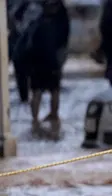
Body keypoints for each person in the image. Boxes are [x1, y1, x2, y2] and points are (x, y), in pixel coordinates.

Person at [25, 0, 68, 139]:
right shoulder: (59, 16)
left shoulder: (37, 14)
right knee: (50, 90)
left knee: (41, 91)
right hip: (48, 59)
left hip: (40, 59)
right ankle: (46, 117)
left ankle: (39, 119)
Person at [9, 0, 41, 104]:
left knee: (33, 72)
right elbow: (11, 18)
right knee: (20, 71)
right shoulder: (15, 4)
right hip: (18, 41)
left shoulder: (37, 6)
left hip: (33, 42)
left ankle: (33, 96)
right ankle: (24, 96)